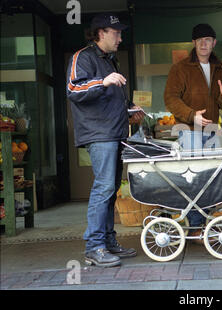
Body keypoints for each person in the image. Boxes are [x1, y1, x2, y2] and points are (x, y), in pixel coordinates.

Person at [67, 13, 145, 267]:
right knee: (103, 189)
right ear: (101, 33)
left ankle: (108, 241)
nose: (121, 38)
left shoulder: (111, 61)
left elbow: (112, 98)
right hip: (99, 135)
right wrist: (102, 81)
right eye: (117, 33)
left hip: (115, 133)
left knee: (110, 191)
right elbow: (74, 90)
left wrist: (131, 110)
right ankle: (94, 247)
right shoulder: (83, 57)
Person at [164, 23, 222, 239]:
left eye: (208, 39)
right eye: (200, 40)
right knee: (193, 177)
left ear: (214, 43)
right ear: (194, 43)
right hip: (189, 130)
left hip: (213, 130)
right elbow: (170, 99)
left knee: (211, 178)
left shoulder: (219, 68)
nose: (204, 43)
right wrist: (192, 114)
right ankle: (195, 226)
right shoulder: (180, 68)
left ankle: (207, 223)